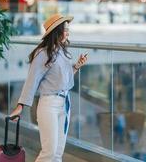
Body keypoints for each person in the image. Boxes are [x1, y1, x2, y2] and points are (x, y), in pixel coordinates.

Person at [9, 14, 88, 162]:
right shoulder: (43, 53)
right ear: (56, 31)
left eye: (68, 29)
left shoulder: (63, 52)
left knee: (58, 153)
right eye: (65, 29)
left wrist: (77, 66)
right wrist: (21, 106)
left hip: (64, 104)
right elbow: (32, 81)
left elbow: (64, 79)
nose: (68, 32)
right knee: (49, 153)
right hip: (49, 105)